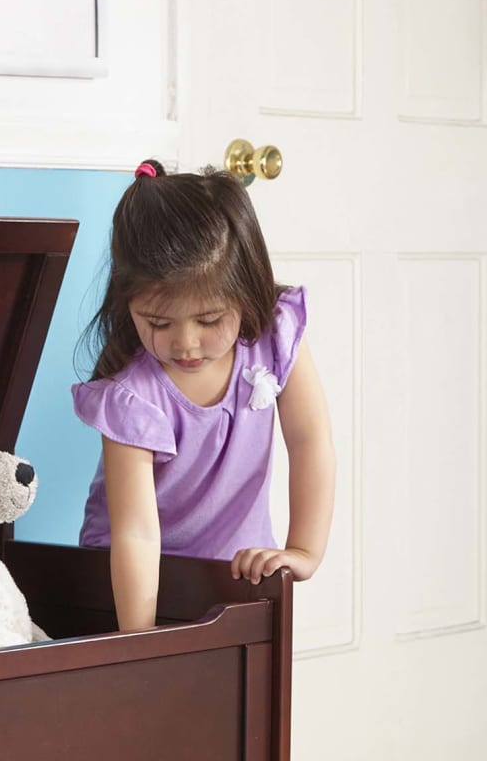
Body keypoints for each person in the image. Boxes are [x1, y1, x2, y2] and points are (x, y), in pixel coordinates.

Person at [72, 159, 335, 635]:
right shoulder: (132, 395)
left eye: (209, 321)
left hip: (238, 571)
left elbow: (309, 439)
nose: (185, 343)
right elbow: (135, 531)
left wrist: (303, 550)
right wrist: (139, 639)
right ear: (127, 304)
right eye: (158, 323)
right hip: (132, 581)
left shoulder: (276, 336)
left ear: (246, 291)